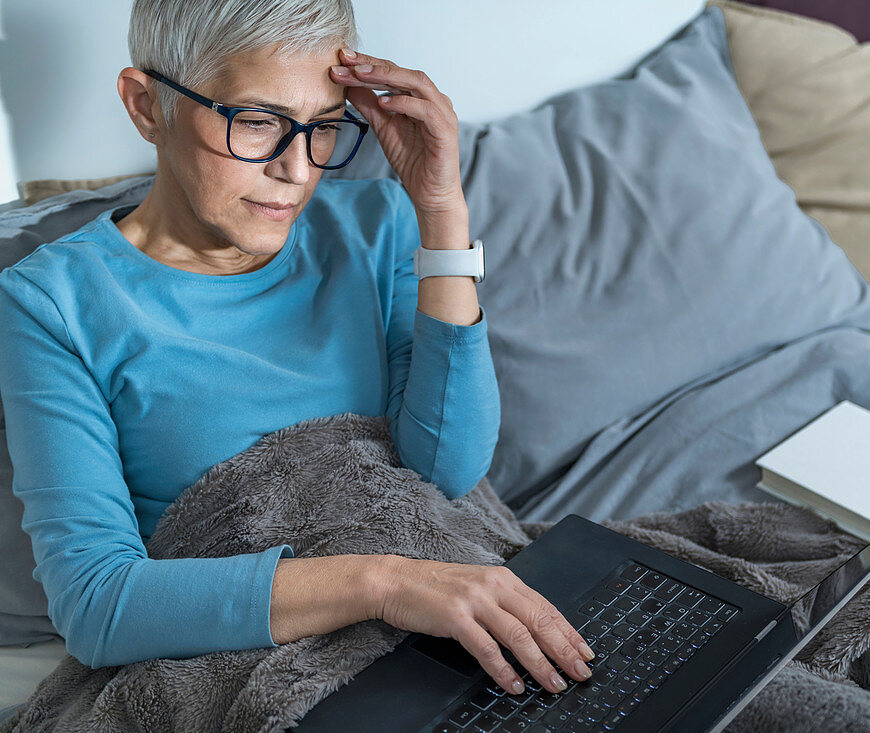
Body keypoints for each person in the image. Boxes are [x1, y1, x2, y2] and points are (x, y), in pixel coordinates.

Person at [0, 0, 593, 699]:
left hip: (439, 635)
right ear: (145, 105)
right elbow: (98, 606)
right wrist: (386, 581)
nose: (297, 170)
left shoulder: (378, 226)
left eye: (322, 128)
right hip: (268, 662)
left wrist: (442, 213)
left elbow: (448, 470)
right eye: (257, 122)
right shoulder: (52, 302)